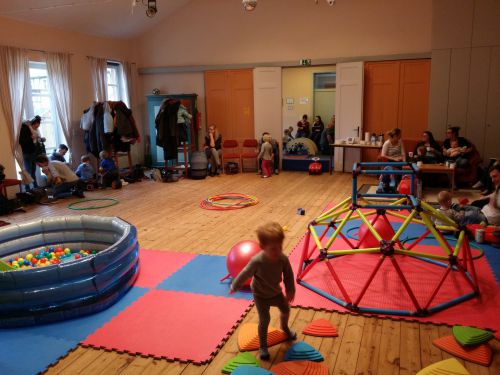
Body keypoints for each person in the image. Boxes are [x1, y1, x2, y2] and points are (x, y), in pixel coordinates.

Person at [230, 222, 296, 360]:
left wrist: (290, 289)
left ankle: (284, 327)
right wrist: (235, 286)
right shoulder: (257, 261)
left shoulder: (282, 258)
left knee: (286, 310)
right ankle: (263, 346)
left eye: (280, 247)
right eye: (273, 248)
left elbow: (289, 275)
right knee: (265, 320)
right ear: (262, 247)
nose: (277, 251)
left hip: (275, 292)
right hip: (260, 295)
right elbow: (245, 273)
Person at [19, 115, 45, 190]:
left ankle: (35, 186)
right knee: (28, 171)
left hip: (33, 152)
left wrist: (39, 139)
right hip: (27, 152)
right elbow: (22, 141)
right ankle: (27, 188)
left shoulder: (33, 130)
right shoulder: (24, 128)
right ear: (34, 123)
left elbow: (36, 141)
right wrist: (32, 138)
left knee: (33, 170)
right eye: (38, 124)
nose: (38, 126)